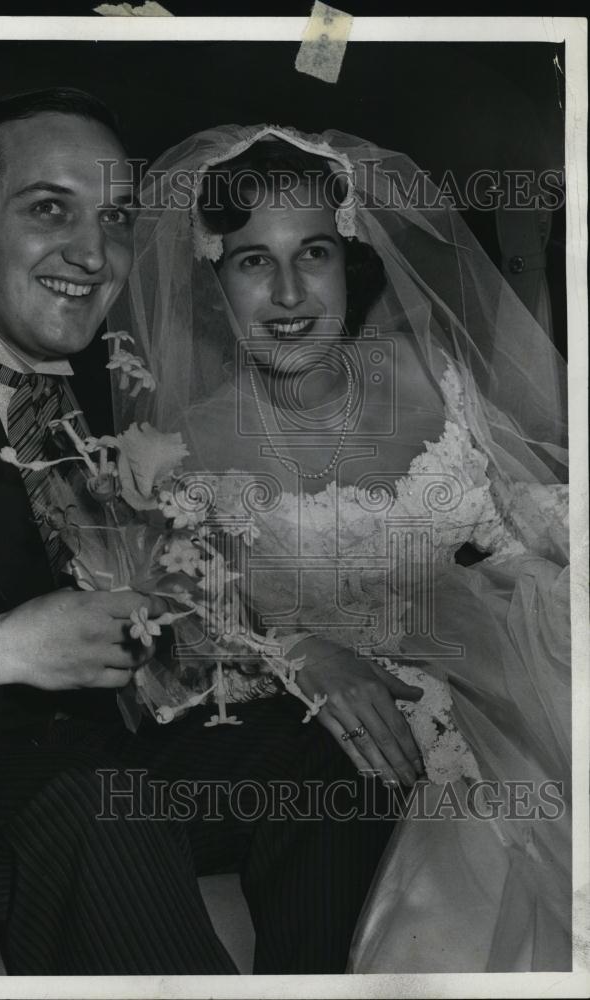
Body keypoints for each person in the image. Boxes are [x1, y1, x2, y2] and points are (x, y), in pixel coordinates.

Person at [0, 91, 400, 975]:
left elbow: (179, 577)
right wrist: (1, 649)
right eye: (48, 209)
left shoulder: (114, 365)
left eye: (115, 218)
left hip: (111, 738)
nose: (93, 255)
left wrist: (289, 650)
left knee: (320, 747)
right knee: (99, 807)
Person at [116, 124, 572, 971]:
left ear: (349, 256)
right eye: (254, 260)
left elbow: (520, 521)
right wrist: (297, 650)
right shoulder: (184, 445)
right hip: (368, 736)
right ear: (215, 281)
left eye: (313, 253)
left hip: (515, 662)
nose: (290, 293)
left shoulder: (428, 369)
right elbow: (178, 645)